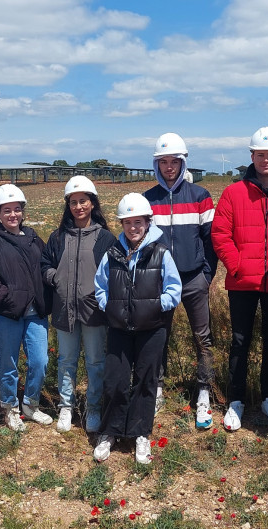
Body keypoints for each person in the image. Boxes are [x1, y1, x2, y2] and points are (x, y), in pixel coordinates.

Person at [210, 126, 268, 431]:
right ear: (252, 156)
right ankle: (236, 400)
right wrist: (237, 266)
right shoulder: (233, 192)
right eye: (260, 154)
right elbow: (220, 233)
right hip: (242, 282)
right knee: (240, 341)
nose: (266, 160)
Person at [92, 193, 182, 464]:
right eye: (127, 222)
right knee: (115, 381)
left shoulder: (161, 252)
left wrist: (153, 307)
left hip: (151, 329)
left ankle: (140, 433)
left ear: (147, 222)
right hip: (119, 328)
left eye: (138, 222)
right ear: (122, 224)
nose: (133, 227)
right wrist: (111, 306)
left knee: (146, 381)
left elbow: (174, 290)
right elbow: (100, 286)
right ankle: (110, 431)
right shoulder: (113, 253)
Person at [142, 133, 219, 428]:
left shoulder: (200, 196)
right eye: (164, 161)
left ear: (183, 162)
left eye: (175, 161)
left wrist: (206, 275)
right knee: (158, 335)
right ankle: (157, 389)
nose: (169, 166)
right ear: (156, 164)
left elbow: (210, 241)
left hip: (193, 279)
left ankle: (203, 393)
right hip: (160, 283)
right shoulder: (148, 200)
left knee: (203, 338)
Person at [0, 184, 52, 432]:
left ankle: (30, 404)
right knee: (9, 365)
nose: (13, 215)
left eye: (17, 209)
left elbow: (45, 266)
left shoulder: (33, 237)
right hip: (6, 314)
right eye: (7, 210)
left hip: (35, 313)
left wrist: (45, 297)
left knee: (40, 361)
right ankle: (9, 408)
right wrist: (10, 298)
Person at [41, 176, 117, 433]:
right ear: (68, 206)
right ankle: (66, 406)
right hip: (64, 310)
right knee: (66, 360)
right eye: (73, 202)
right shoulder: (58, 236)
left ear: (92, 204)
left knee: (95, 362)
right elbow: (45, 265)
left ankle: (93, 408)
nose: (78, 207)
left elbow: (115, 272)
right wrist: (56, 278)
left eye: (83, 201)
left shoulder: (105, 238)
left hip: (94, 310)